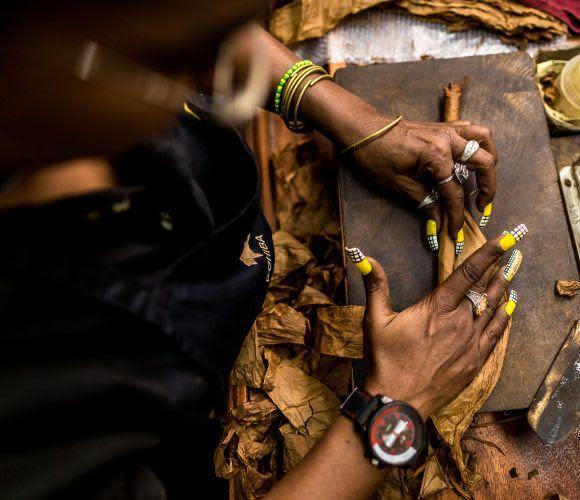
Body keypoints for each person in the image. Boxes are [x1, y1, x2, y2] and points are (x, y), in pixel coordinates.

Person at [0, 4, 525, 499]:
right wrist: (393, 408)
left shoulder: (73, 73)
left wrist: (348, 115)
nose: (227, 72)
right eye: (168, 62)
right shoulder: (37, 391)